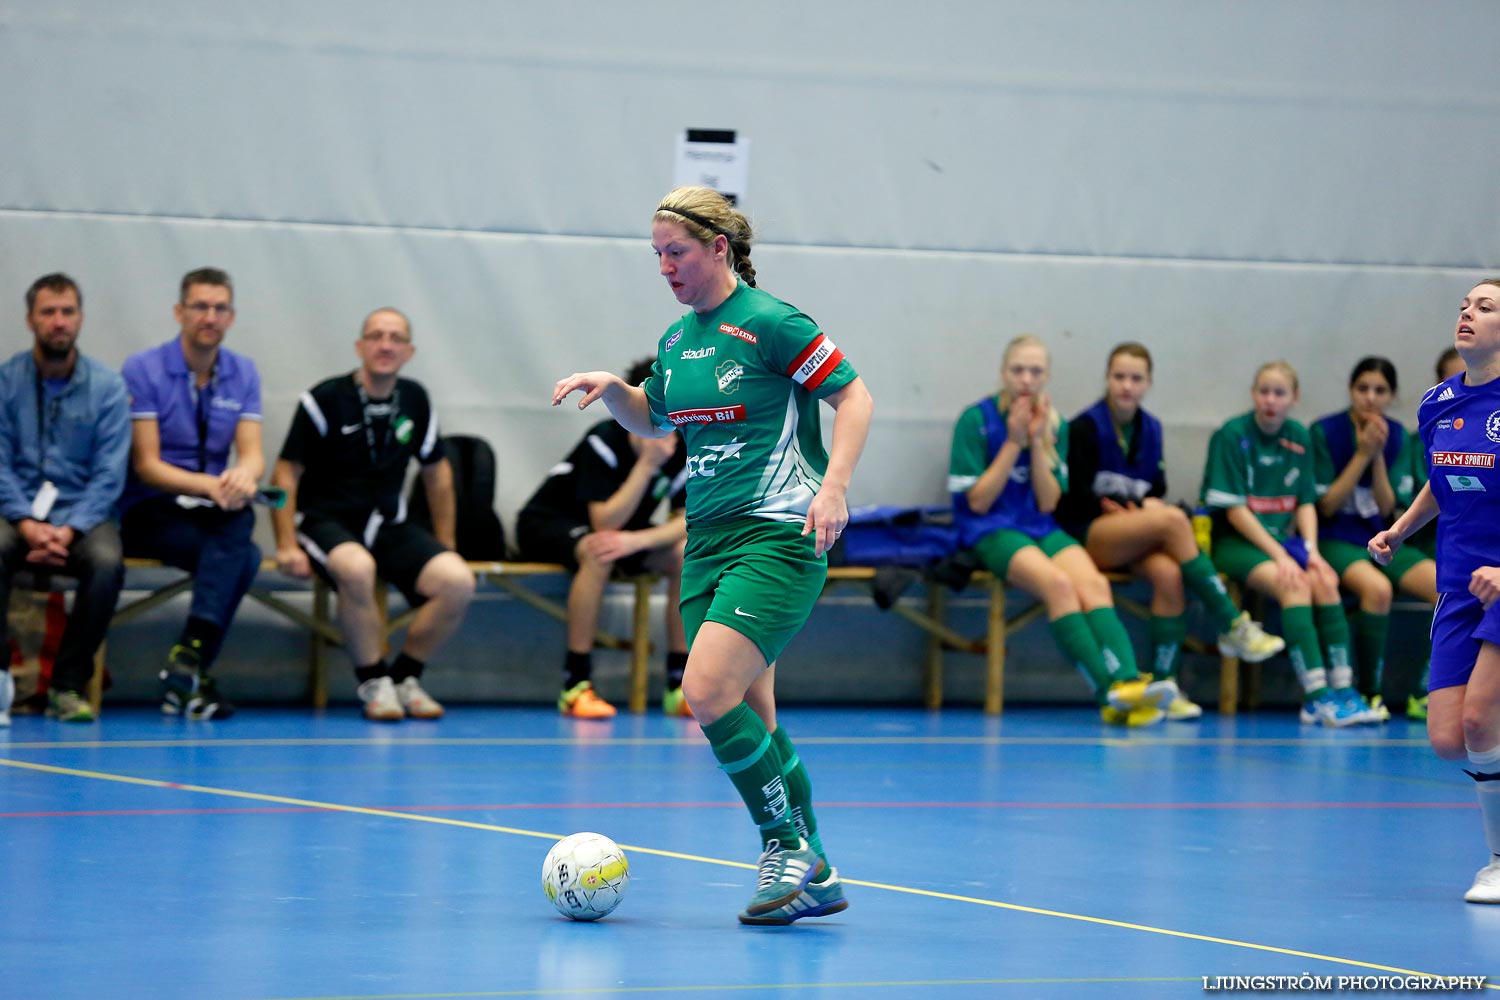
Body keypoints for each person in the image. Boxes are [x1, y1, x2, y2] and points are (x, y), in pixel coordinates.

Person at [552, 185, 873, 925]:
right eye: (657, 255)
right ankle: (816, 872)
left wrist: (835, 488)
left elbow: (854, 398)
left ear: (719, 249)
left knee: (706, 690)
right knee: (753, 710)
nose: (665, 267)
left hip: (779, 535)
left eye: (678, 253)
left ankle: (783, 843)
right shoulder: (676, 341)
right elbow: (654, 414)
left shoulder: (771, 324)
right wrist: (613, 391)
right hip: (709, 544)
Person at [950, 334, 1176, 727]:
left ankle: (1125, 683)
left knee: (1095, 585)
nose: (1026, 379)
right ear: (1003, 373)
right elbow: (978, 502)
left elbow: (1049, 502)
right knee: (1059, 585)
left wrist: (1037, 443)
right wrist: (1013, 443)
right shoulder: (976, 421)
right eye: (1018, 370)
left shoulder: (1054, 424)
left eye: (1035, 371)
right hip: (991, 528)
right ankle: (1109, 693)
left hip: (1039, 524)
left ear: (1047, 377)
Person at [1057, 342, 1284, 720]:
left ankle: (1164, 685)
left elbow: (1154, 489)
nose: (1126, 386)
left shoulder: (1152, 429)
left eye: (1135, 378)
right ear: (1107, 379)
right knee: (1175, 521)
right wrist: (1112, 508)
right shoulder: (1084, 427)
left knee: (1170, 573)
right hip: (1089, 537)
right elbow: (1072, 501)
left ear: (1148, 383)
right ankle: (1230, 622)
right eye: (1119, 377)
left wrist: (1134, 509)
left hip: (1133, 535)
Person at [271, 307, 475, 722]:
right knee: (358, 568)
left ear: (409, 351)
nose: (386, 345)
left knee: (457, 580)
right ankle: (373, 682)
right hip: (326, 522)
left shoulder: (415, 399)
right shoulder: (325, 398)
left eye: (396, 338)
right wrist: (286, 544)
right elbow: (285, 472)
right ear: (360, 346)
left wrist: (446, 543)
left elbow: (438, 475)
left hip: (389, 525)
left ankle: (403, 677)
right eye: (377, 336)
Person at [1370, 279, 1500, 904]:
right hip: (1458, 582)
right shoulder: (1437, 403)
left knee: (1480, 719)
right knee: (1450, 737)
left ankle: (1499, 861)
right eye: (1465, 306)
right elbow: (1442, 477)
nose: (1468, 315)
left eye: (1485, 307)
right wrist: (1400, 528)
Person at [120, 267, 264, 720]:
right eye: (200, 306)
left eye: (220, 308)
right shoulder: (143, 369)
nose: (210, 316)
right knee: (245, 556)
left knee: (241, 522)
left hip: (207, 508)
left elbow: (253, 454)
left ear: (232, 317)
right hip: (147, 509)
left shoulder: (243, 372)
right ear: (180, 312)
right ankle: (194, 664)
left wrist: (243, 477)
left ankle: (188, 665)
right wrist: (214, 486)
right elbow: (147, 466)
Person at [517, 357, 690, 719]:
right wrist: (646, 467)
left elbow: (688, 521)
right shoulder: (605, 439)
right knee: (599, 552)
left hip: (621, 537)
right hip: (549, 524)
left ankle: (680, 683)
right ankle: (575, 684)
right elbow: (604, 521)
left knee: (685, 553)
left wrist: (637, 542)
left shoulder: (683, 447)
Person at [1200, 360, 1368, 727]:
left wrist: (1311, 552)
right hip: (1237, 543)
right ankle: (1315, 697)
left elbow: (1305, 502)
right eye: (1263, 392)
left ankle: (1343, 689)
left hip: (1284, 542)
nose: (1270, 401)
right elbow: (1235, 513)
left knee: (1324, 579)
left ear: (1294, 398)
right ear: (1253, 395)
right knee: (1294, 585)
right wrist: (1283, 557)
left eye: (1279, 393)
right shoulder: (1231, 435)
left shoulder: (1298, 436)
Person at [0, 274, 129, 724]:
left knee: (107, 563)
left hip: (83, 515)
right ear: (30, 319)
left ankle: (68, 685)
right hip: (15, 513)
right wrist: (24, 521)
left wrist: (70, 527)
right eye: (48, 312)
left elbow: (110, 474)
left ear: (81, 318)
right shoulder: (5, 381)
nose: (59, 322)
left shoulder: (108, 389)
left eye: (67, 312)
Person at [1312, 357, 1437, 724]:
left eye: (1380, 390)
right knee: (1377, 589)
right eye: (1362, 389)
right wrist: (1362, 453)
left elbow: (1387, 509)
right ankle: (1370, 690)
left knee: (1445, 586)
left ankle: (1427, 690)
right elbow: (1328, 506)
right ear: (1351, 391)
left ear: (1392, 396)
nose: (1370, 397)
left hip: (1384, 538)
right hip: (1336, 538)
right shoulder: (1325, 431)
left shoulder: (1397, 436)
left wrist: (1378, 456)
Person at [1392, 348, 1467, 721]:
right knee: (1449, 736)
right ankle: (1430, 687)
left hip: (1476, 554)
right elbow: (1436, 488)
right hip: (1424, 547)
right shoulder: (1431, 417)